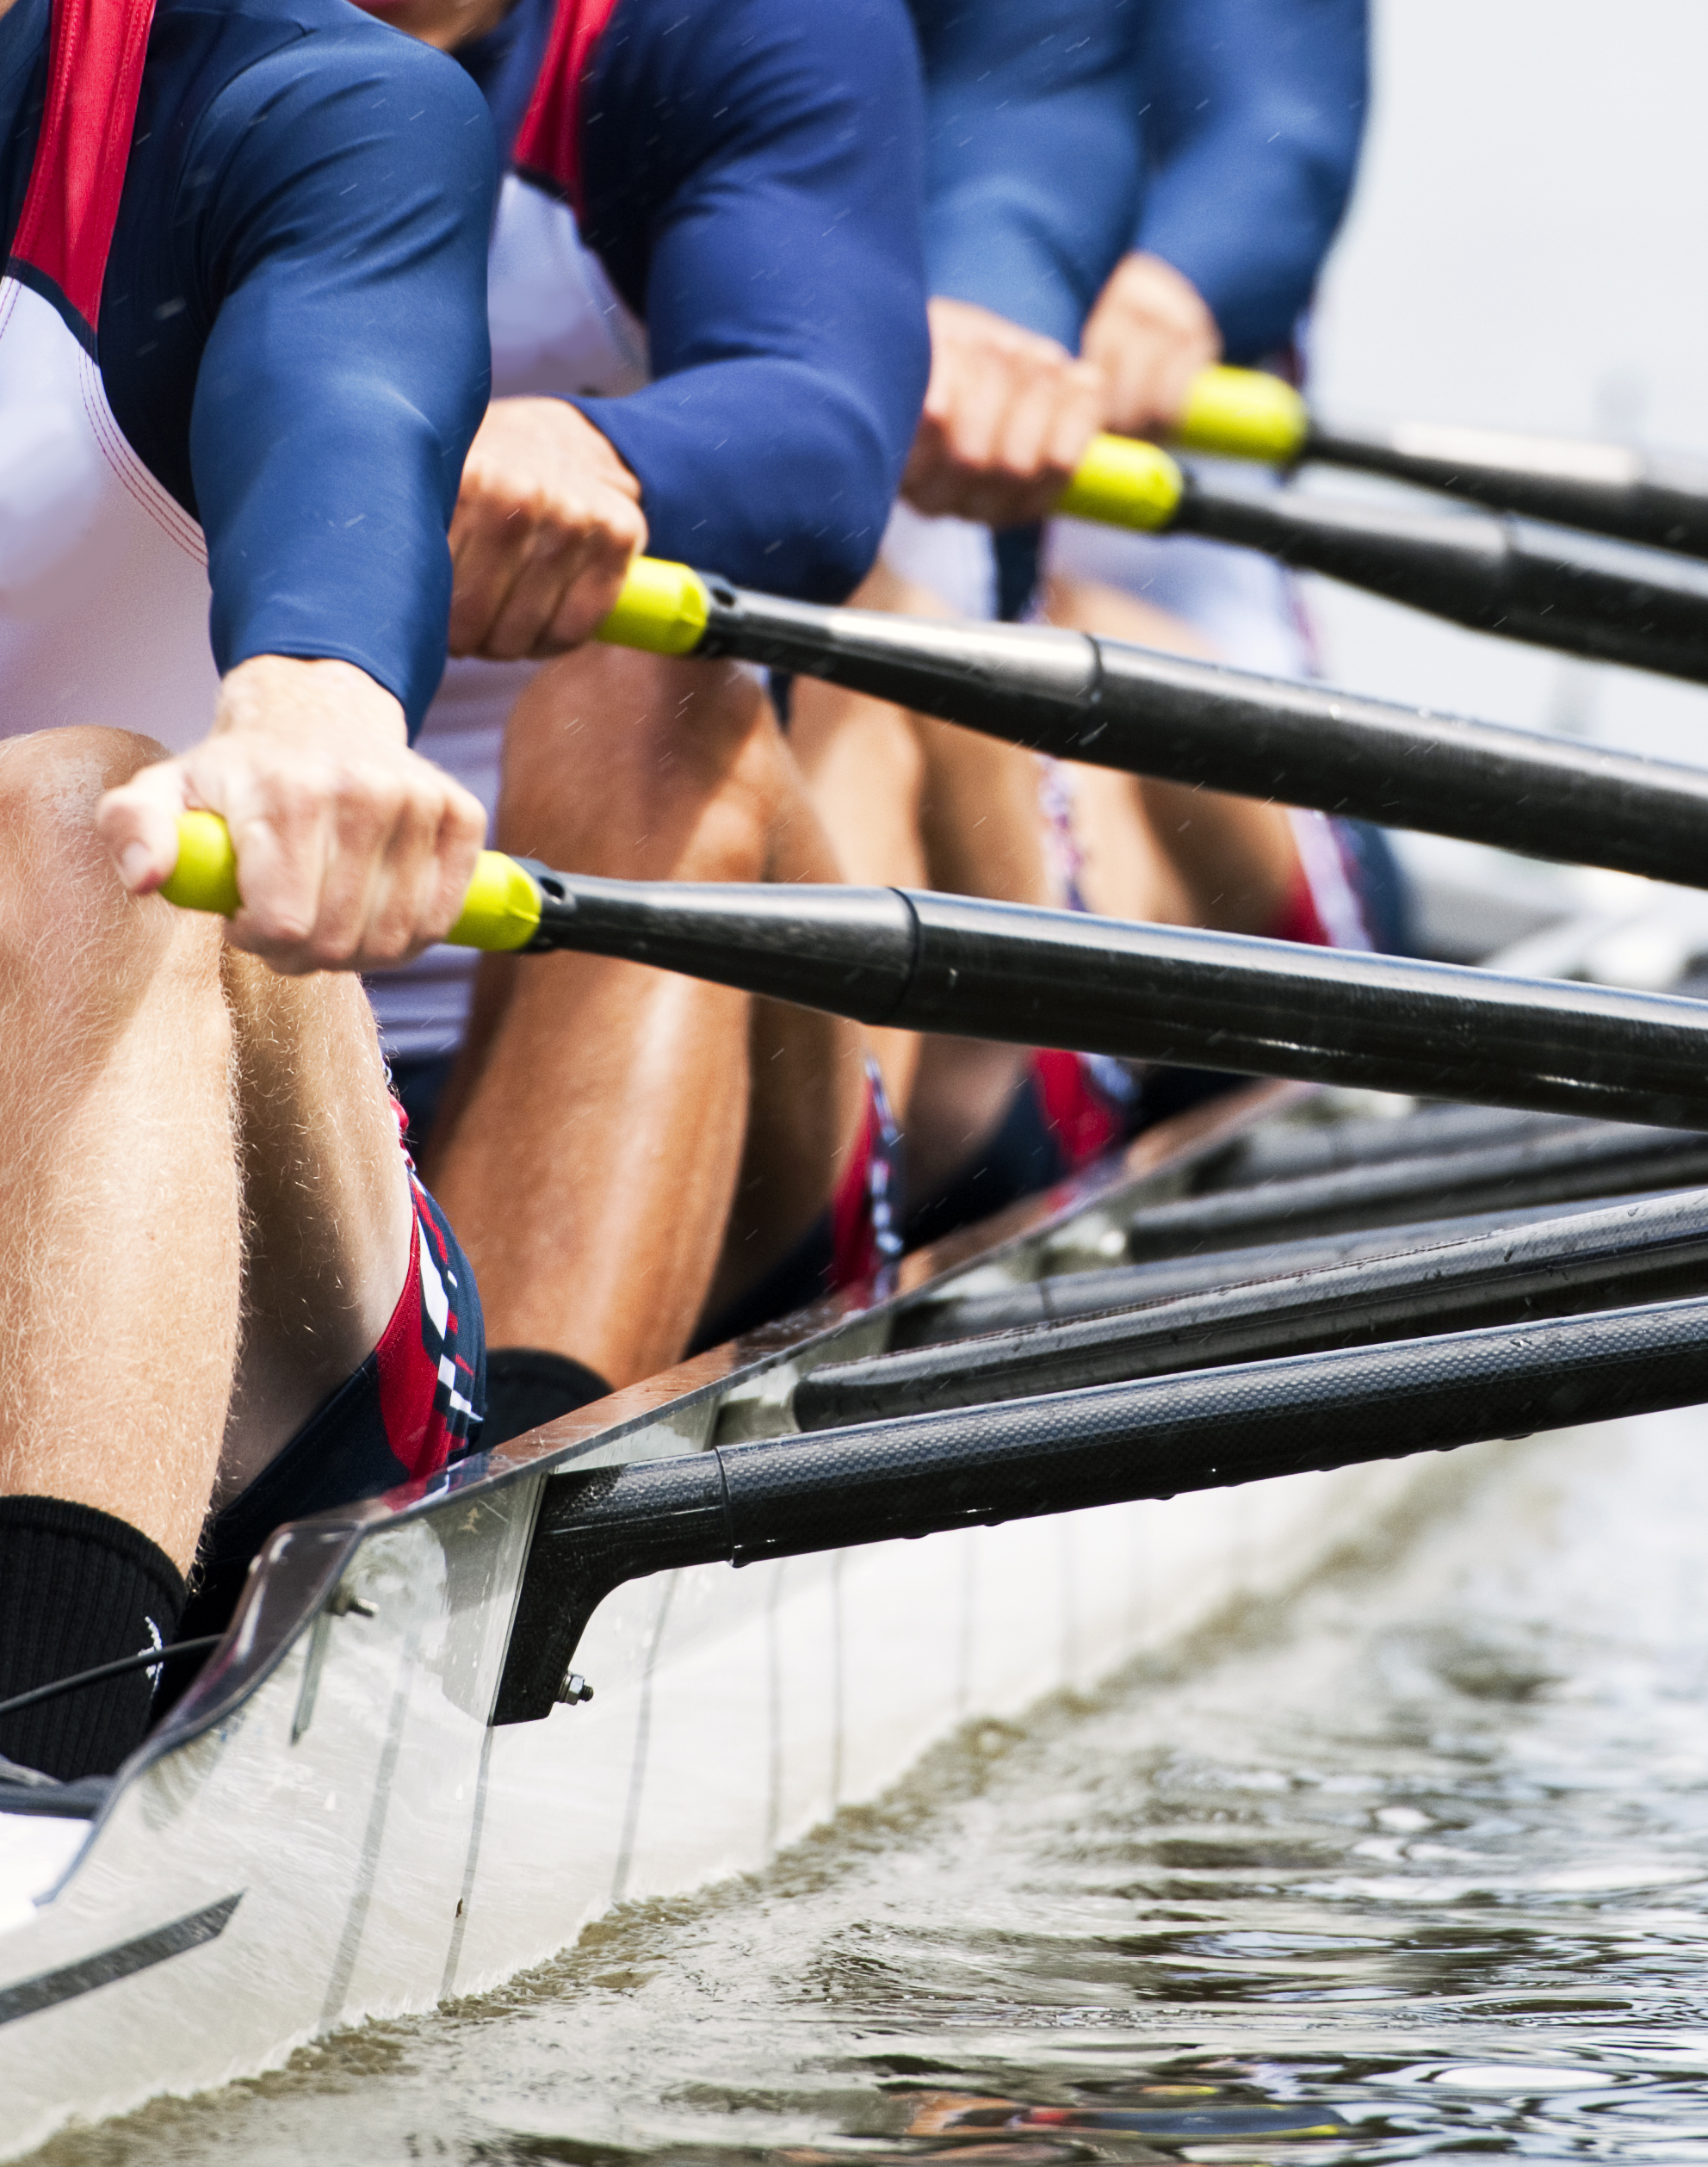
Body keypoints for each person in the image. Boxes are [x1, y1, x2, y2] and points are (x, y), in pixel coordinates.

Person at [0, 0, 499, 1782]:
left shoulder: (302, 104)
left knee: (88, 809)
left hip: (267, 1314)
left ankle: (40, 1735)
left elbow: (344, 401)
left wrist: (312, 695)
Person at [349, 0, 931, 1442]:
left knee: (649, 688)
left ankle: (502, 1503)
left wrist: (596, 446)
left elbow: (828, 434)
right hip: (211, 990)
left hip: (607, 1002)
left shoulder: (706, 31)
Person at [792, 0, 1400, 1244]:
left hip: (1200, 742)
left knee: (1051, 648)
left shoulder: (1043, 64)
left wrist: (1169, 300)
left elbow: (1277, 138)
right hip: (908, 704)